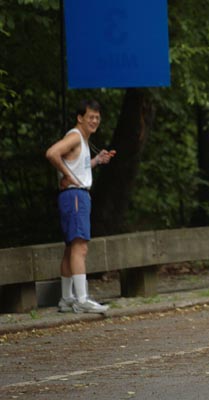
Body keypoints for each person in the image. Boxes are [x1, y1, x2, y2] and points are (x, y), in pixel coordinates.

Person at [45, 99, 117, 314]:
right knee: (80, 247)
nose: (95, 121)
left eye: (97, 117)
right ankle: (82, 299)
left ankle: (67, 299)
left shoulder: (81, 140)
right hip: (75, 195)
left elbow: (75, 165)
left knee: (71, 248)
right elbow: (52, 153)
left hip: (75, 195)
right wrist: (69, 176)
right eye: (90, 117)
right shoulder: (75, 136)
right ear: (80, 117)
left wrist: (96, 161)